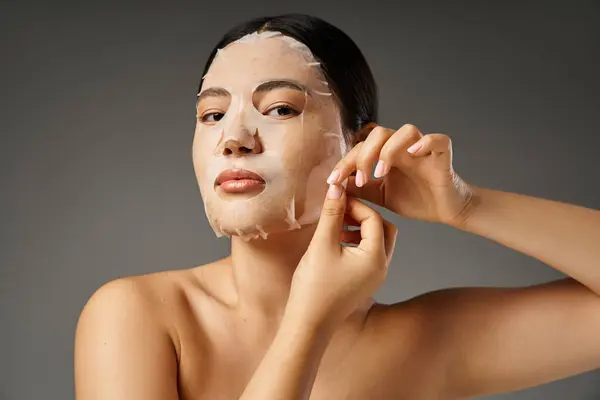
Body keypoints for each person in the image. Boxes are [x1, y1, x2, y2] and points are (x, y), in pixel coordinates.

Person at [74, 13, 600, 400]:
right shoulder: (138, 315)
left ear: (357, 144)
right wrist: (307, 325)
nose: (232, 139)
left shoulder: (423, 343)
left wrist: (465, 204)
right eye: (211, 115)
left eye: (279, 108)